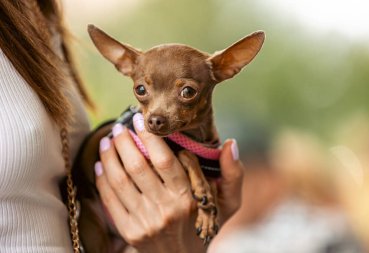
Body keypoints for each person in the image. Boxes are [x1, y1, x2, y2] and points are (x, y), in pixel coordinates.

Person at [0, 1, 244, 252]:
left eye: (186, 92)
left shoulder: (40, 15)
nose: (157, 115)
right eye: (142, 91)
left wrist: (179, 245)